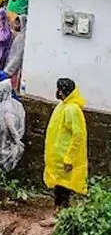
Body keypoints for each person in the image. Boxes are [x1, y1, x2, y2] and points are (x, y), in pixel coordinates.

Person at [45, 78, 88, 207]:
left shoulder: (72, 110)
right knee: (59, 186)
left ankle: (60, 214)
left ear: (63, 91)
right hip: (58, 157)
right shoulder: (63, 106)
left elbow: (78, 135)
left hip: (64, 158)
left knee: (63, 188)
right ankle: (58, 213)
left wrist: (69, 158)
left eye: (59, 89)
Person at [0, 80, 26, 174]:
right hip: (6, 140)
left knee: (2, 166)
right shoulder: (15, 104)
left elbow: (10, 125)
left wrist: (17, 141)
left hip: (5, 141)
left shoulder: (6, 107)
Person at [5, 15, 27, 91]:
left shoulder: (22, 38)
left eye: (18, 23)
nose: (15, 25)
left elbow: (18, 57)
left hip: (14, 70)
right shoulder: (20, 35)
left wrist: (8, 71)